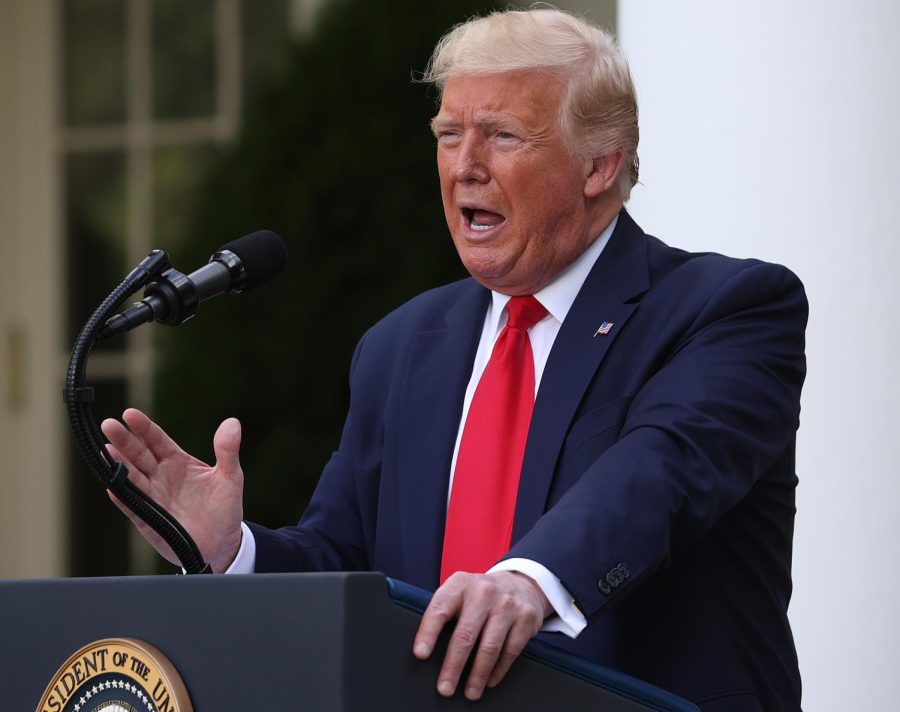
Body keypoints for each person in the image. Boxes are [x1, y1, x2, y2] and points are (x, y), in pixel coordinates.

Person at [101, 8, 806, 711]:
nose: (465, 166)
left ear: (600, 165)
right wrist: (231, 552)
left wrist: (529, 580)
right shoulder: (401, 345)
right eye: (448, 135)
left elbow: (659, 474)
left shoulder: (727, 309)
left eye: (502, 136)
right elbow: (348, 565)